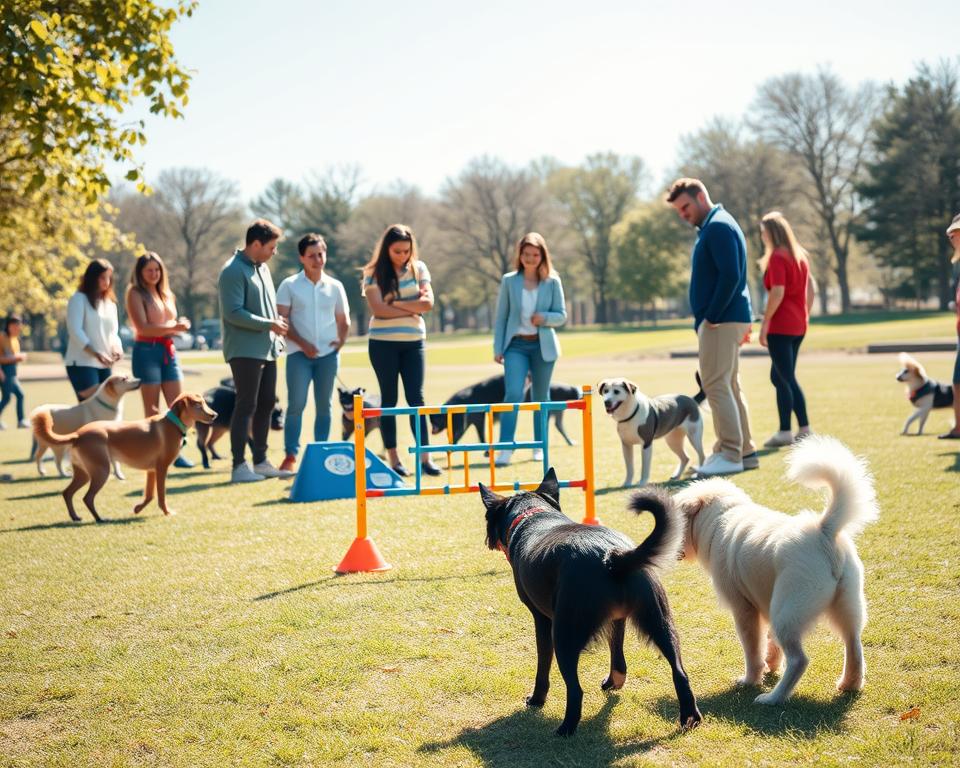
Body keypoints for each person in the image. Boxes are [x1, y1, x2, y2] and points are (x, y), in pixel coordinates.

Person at [667, 178, 756, 476]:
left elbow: (731, 276)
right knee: (728, 384)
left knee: (716, 384)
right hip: (728, 317)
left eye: (686, 206)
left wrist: (712, 316)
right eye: (679, 210)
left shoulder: (717, 226)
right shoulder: (714, 225)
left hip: (722, 319)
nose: (683, 214)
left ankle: (730, 453)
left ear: (701, 195)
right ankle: (744, 451)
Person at [361, 224, 440, 477]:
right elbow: (378, 310)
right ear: (387, 249)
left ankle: (425, 458)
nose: (403, 255)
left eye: (407, 251)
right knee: (389, 400)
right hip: (382, 344)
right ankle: (394, 457)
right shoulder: (373, 272)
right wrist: (410, 308)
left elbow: (427, 304)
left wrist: (395, 302)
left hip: (413, 342)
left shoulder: (419, 268)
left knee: (416, 398)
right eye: (397, 251)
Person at [218, 219, 292, 482]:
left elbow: (268, 309)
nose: (275, 252)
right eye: (272, 247)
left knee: (266, 404)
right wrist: (270, 324)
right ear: (256, 244)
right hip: (244, 350)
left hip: (267, 348)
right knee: (246, 404)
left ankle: (260, 461)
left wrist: (276, 331)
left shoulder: (262, 269)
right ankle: (239, 466)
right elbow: (233, 313)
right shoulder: (232, 271)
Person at [276, 233, 350, 473]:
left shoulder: (335, 286)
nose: (318, 260)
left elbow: (343, 320)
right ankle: (290, 455)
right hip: (299, 354)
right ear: (301, 257)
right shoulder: (289, 285)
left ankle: (321, 452)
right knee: (296, 404)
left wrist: (340, 343)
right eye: (312, 256)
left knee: (324, 405)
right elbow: (282, 320)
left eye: (321, 254)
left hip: (328, 357)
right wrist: (303, 343)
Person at [492, 232, 567, 467]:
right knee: (513, 393)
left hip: (542, 347)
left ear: (542, 256)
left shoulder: (552, 281)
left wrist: (543, 317)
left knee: (540, 397)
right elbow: (501, 317)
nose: (531, 258)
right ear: (520, 255)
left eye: (535, 254)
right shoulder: (509, 280)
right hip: (516, 345)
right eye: (526, 254)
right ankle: (505, 448)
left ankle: (538, 446)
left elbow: (561, 316)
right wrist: (498, 347)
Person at [125, 252, 195, 468]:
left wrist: (180, 324)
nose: (154, 274)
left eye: (157, 269)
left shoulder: (166, 294)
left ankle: (177, 452)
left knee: (181, 406)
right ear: (140, 272)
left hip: (169, 351)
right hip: (147, 351)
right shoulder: (135, 294)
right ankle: (154, 454)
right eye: (149, 270)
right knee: (152, 411)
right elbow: (143, 327)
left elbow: (169, 322)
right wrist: (174, 327)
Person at [757, 212, 818, 448]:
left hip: (781, 326)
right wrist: (805, 313)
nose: (762, 236)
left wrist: (765, 323)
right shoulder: (800, 256)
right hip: (798, 324)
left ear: (772, 232)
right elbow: (811, 287)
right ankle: (788, 430)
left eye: (763, 231)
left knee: (785, 377)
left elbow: (777, 292)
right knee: (780, 376)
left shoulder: (778, 258)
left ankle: (800, 429)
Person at [64, 259, 123, 402]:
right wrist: (96, 353)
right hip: (82, 363)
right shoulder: (78, 299)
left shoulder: (110, 304)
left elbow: (113, 333)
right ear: (92, 278)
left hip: (105, 364)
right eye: (102, 277)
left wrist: (116, 348)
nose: (107, 281)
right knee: (91, 409)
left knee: (106, 408)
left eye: (109, 277)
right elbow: (75, 330)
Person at [939, 213, 960, 440]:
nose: (951, 237)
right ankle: (958, 427)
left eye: (955, 233)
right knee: (957, 380)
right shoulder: (957, 263)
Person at [0, 314, 28, 429]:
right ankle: (21, 421)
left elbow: (14, 357)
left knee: (19, 395)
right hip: (4, 373)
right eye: (17, 327)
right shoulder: (2, 337)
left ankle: (21, 421)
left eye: (20, 327)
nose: (18, 330)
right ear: (10, 326)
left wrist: (17, 357)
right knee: (7, 397)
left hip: (12, 373)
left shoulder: (15, 340)